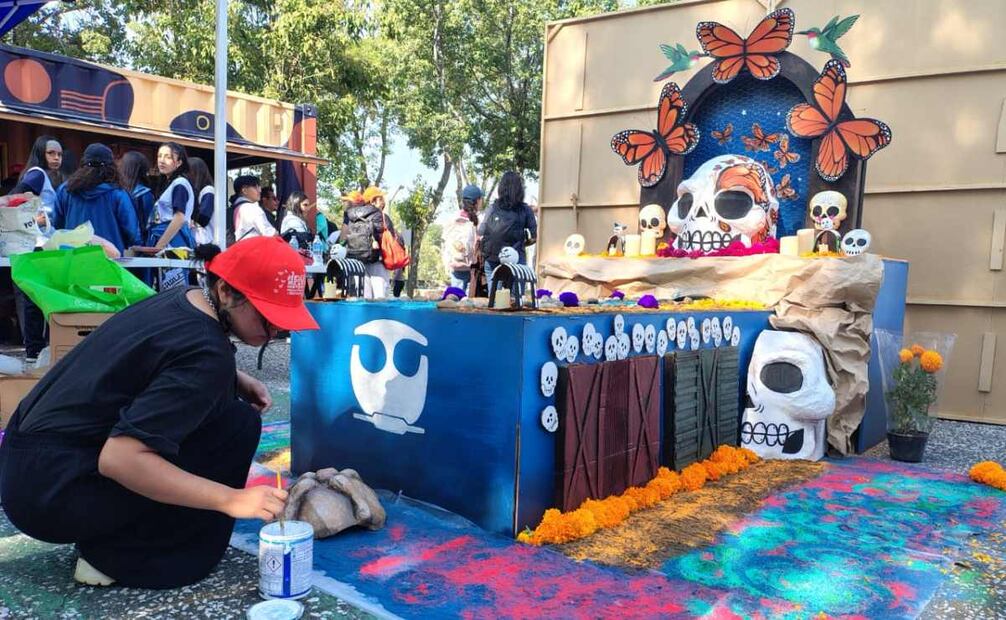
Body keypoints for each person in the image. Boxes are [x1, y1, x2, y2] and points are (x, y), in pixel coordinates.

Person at [0, 236, 318, 588]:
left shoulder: (182, 300)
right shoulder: (208, 354)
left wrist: (234, 376)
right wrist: (233, 500)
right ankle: (124, 555)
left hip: (27, 469)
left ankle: (115, 534)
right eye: (267, 317)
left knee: (231, 417)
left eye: (282, 322)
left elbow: (154, 358)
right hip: (55, 496)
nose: (274, 331)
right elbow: (120, 459)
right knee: (237, 428)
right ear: (226, 291)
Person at [8, 136, 63, 363]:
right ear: (41, 153)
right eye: (51, 153)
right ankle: (35, 350)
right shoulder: (38, 173)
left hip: (34, 246)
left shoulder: (39, 174)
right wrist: (37, 220)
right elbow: (17, 196)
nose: (57, 158)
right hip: (38, 246)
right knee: (37, 300)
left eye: (59, 154)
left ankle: (35, 350)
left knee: (33, 299)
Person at [53, 143, 141, 255]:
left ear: (83, 164)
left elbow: (57, 226)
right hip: (109, 259)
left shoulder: (66, 190)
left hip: (73, 258)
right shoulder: (118, 194)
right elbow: (131, 232)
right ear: (111, 167)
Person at [479, 171, 537, 286]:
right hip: (516, 259)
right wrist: (523, 243)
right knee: (516, 298)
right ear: (520, 189)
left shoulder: (492, 208)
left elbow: (481, 231)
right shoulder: (525, 210)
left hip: (492, 257)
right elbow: (535, 236)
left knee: (495, 298)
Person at [341, 187, 393, 299]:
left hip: (357, 262)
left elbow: (344, 236)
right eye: (381, 199)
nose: (383, 202)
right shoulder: (380, 215)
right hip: (377, 261)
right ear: (374, 200)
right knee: (381, 299)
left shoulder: (352, 215)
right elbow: (388, 238)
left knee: (364, 299)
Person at [149, 142, 195, 251]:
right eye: (159, 156)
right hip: (167, 238)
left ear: (179, 163)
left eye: (168, 157)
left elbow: (179, 217)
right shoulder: (170, 183)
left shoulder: (180, 183)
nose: (161, 160)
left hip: (173, 240)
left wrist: (159, 246)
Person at [118, 151, 154, 242]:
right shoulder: (145, 194)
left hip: (116, 239)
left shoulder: (115, 191)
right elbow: (149, 222)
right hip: (137, 242)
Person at [232, 175, 277, 242]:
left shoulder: (232, 210)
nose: (260, 190)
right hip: (255, 250)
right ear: (244, 190)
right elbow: (271, 234)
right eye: (256, 187)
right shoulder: (252, 208)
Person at [441, 207, 476, 291]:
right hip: (466, 266)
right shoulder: (471, 224)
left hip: (457, 265)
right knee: (464, 298)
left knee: (457, 296)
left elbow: (445, 244)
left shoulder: (450, 224)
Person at [187, 157, 215, 246]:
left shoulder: (208, 190)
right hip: (199, 240)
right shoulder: (199, 192)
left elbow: (203, 218)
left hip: (205, 241)